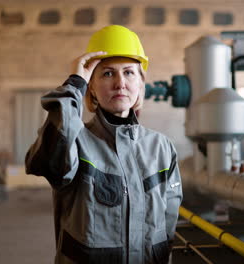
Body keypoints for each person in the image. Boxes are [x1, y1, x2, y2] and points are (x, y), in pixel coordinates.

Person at [25, 25, 183, 264]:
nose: (120, 83)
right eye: (107, 73)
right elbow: (45, 162)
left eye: (129, 72)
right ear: (92, 89)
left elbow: (169, 225)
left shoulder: (162, 148)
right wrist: (74, 84)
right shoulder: (75, 142)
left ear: (141, 84)